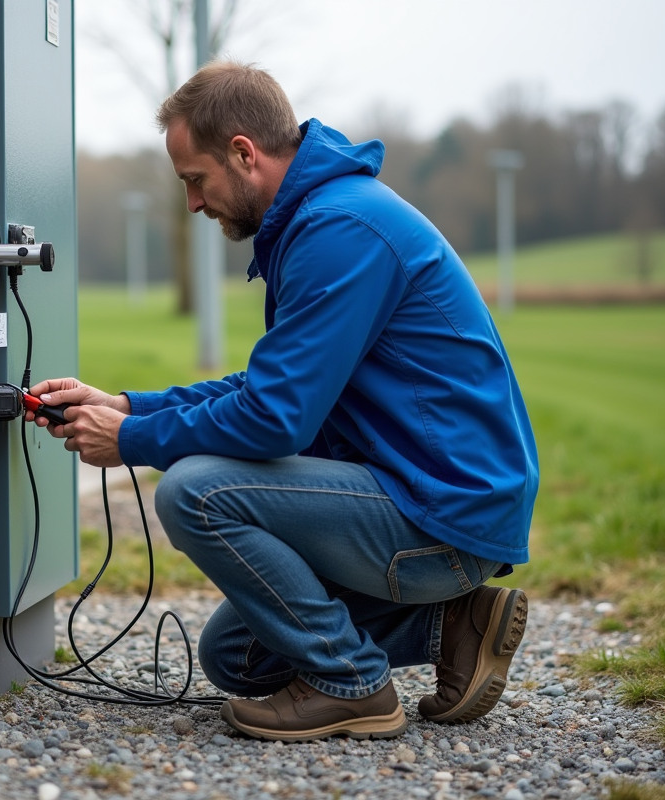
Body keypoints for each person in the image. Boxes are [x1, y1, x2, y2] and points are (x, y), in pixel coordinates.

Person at [28, 61, 538, 742]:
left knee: (194, 492)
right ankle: (453, 626)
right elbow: (265, 390)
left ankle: (354, 686)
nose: (194, 204)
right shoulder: (325, 218)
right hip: (420, 495)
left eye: (195, 181)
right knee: (236, 657)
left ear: (244, 153)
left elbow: (275, 419)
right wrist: (129, 406)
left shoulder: (341, 231)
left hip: (441, 512)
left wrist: (133, 442)